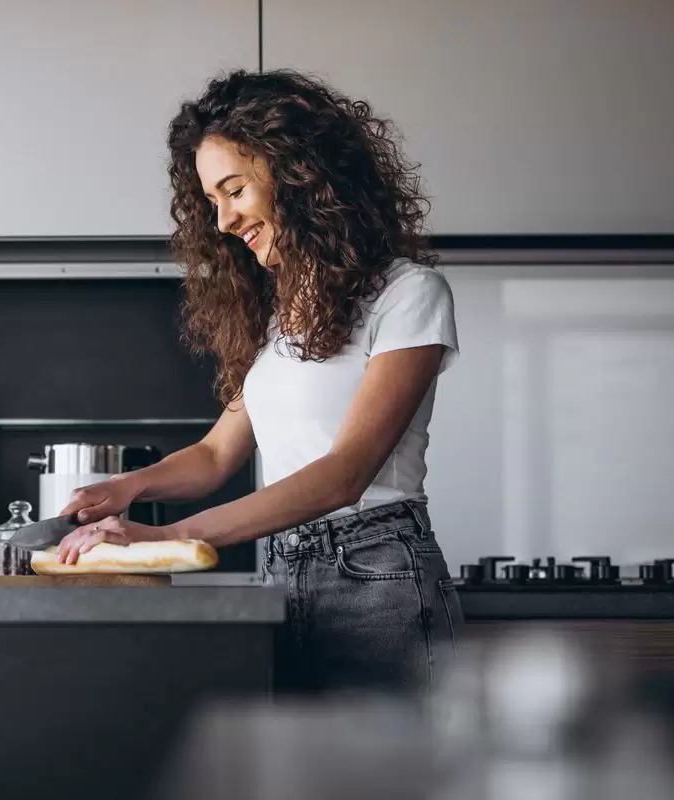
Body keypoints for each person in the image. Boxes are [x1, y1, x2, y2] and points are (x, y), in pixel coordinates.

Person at [56, 69, 463, 696]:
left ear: (299, 174)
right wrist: (126, 487)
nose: (221, 220)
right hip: (280, 569)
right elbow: (219, 453)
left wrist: (168, 538)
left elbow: (345, 472)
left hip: (376, 573)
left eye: (234, 189)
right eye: (211, 201)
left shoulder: (409, 295)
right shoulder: (279, 319)